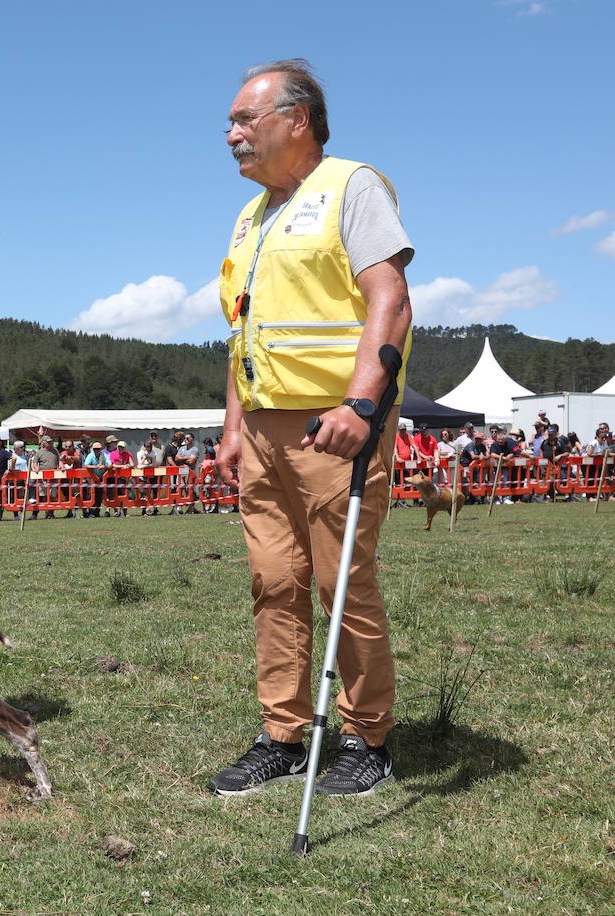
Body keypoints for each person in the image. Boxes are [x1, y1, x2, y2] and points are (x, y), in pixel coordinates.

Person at [211, 60, 412, 797]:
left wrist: (362, 405)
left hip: (335, 427)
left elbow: (389, 296)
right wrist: (234, 426)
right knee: (274, 581)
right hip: (264, 430)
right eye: (229, 124)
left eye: (244, 120)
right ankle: (283, 734)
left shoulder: (352, 187)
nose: (231, 135)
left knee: (340, 583)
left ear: (296, 120)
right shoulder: (252, 215)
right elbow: (245, 332)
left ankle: (368, 737)